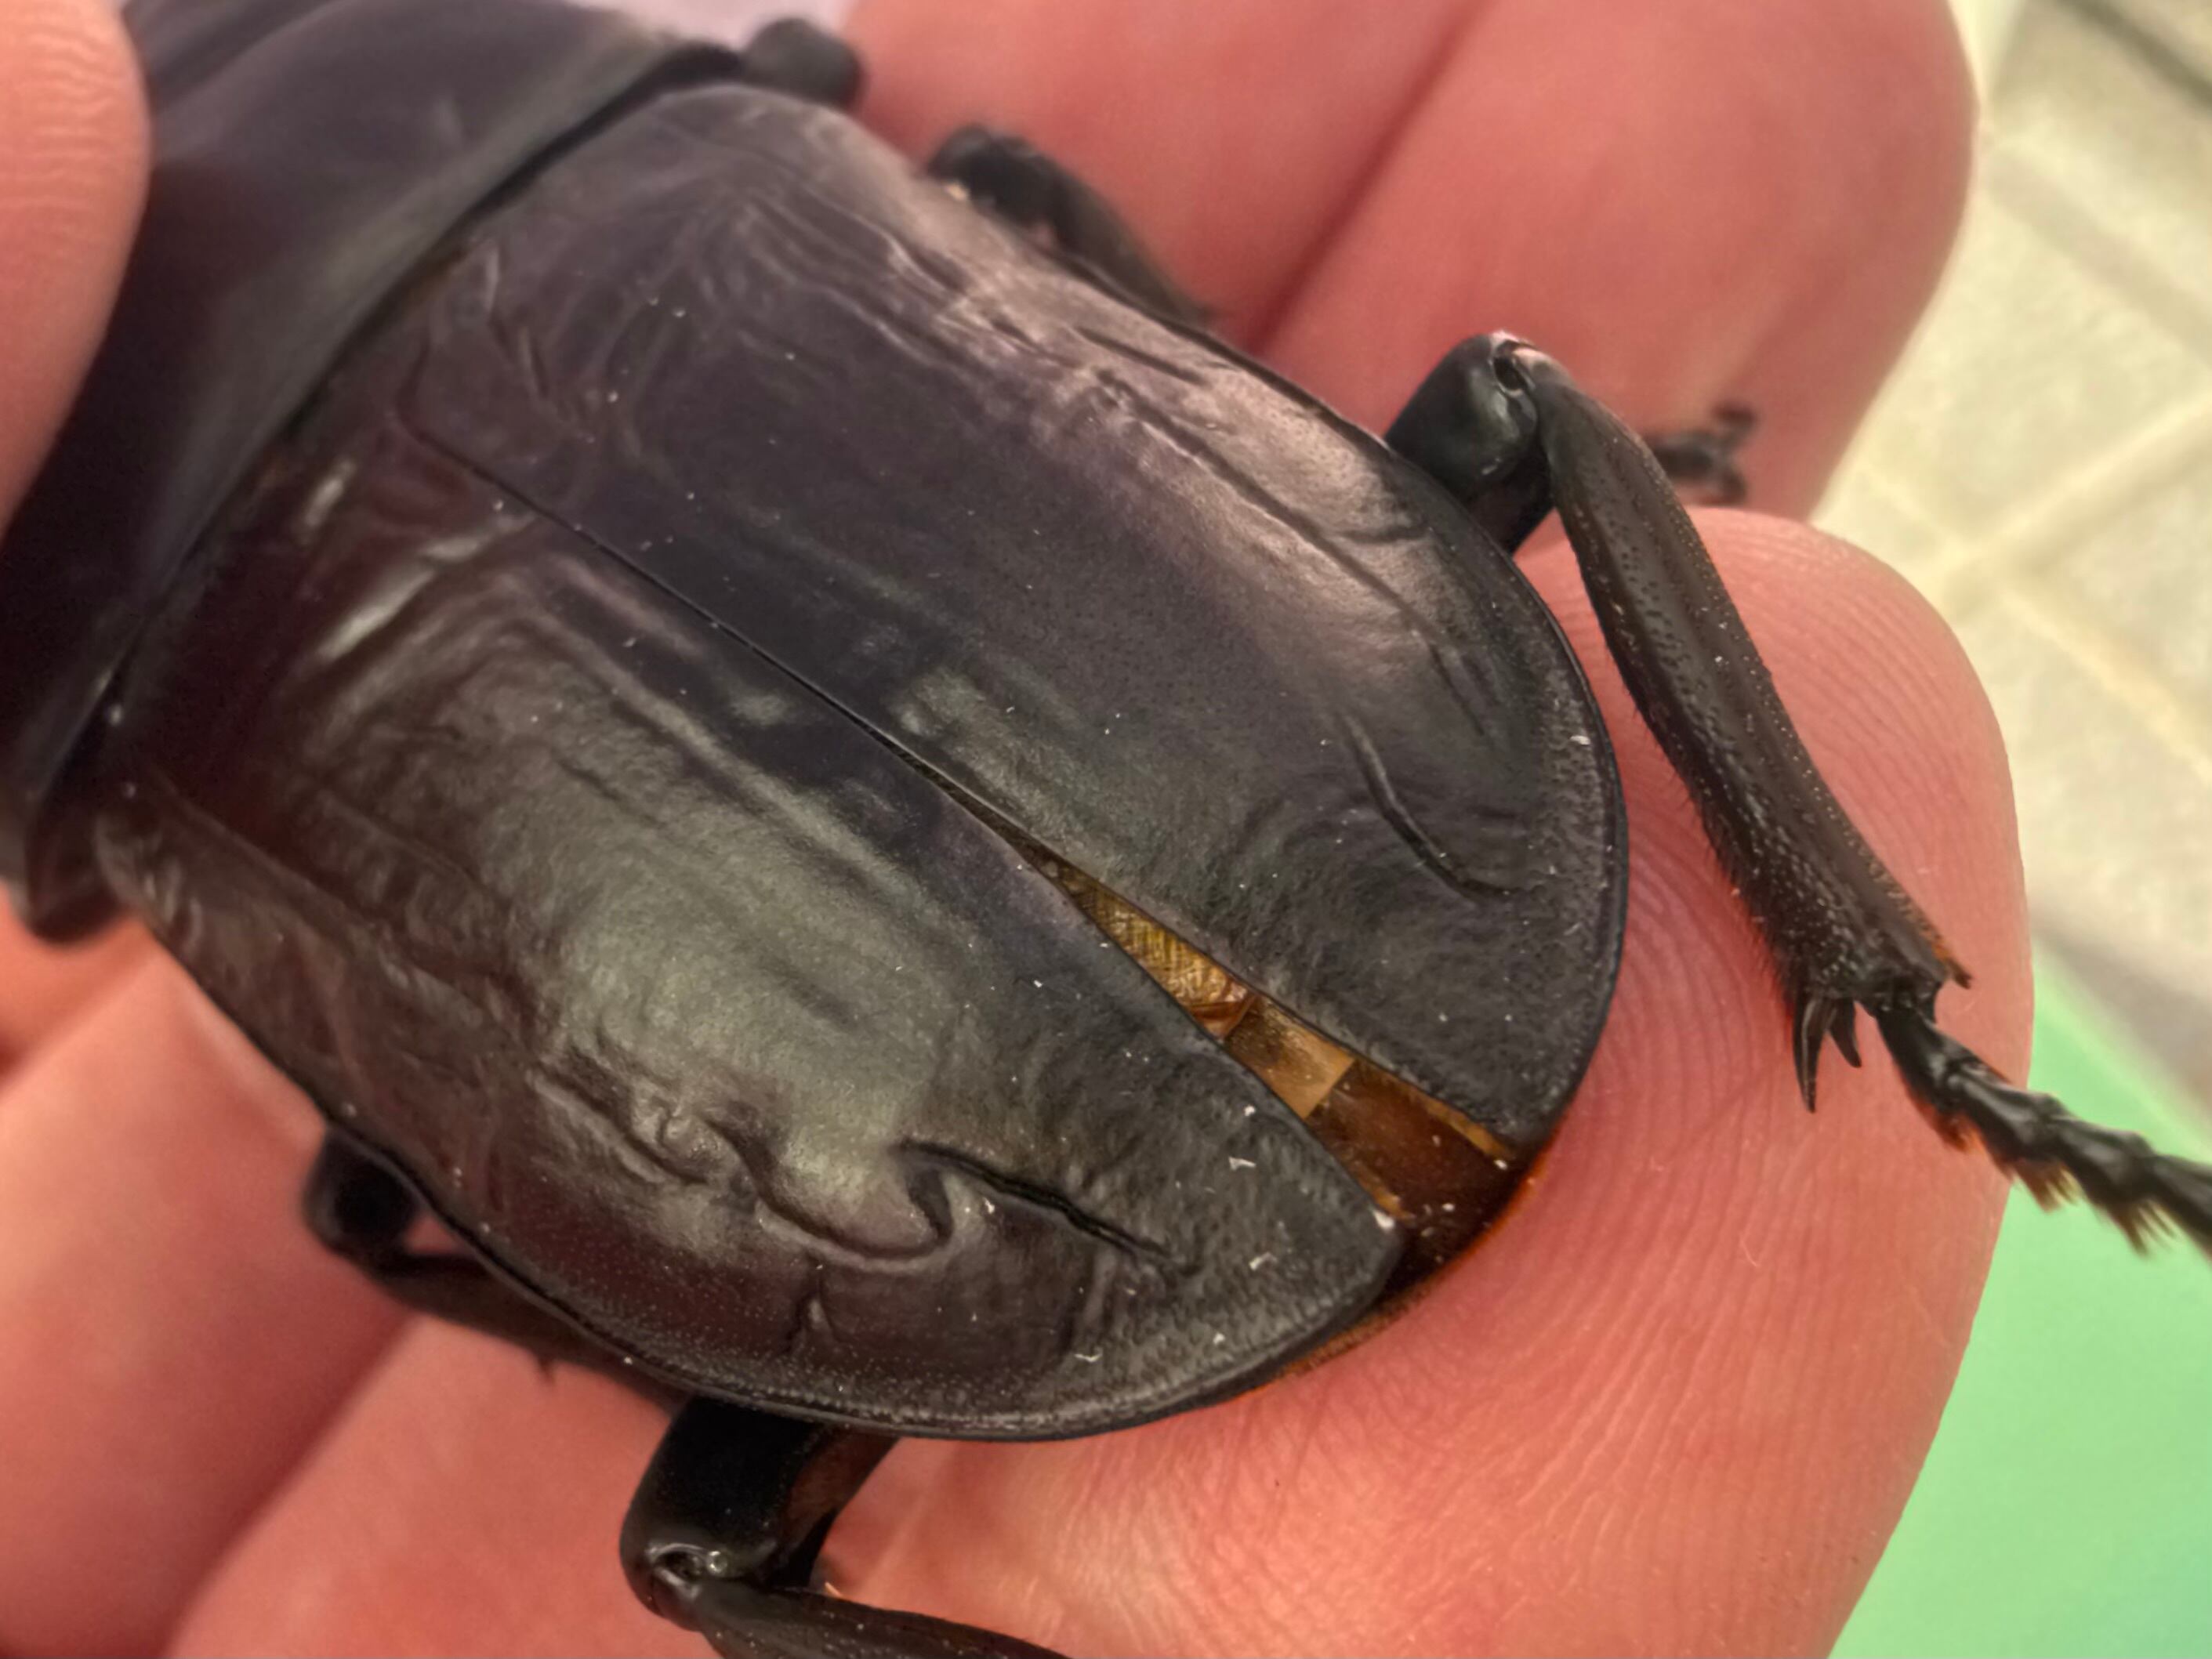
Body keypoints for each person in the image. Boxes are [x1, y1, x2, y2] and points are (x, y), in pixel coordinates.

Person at [0, 0, 2019, 1651]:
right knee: (1516, 402)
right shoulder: (579, 89)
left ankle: (1894, 1019)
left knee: (701, 1541)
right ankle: (1903, 1028)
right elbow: (992, 175)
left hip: (193, 686)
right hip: (1283, 771)